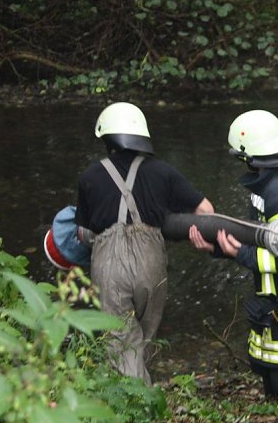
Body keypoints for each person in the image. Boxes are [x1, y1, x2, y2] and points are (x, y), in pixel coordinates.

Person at [188, 109, 278, 398]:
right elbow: (257, 239)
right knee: (273, 382)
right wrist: (219, 248)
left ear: (248, 156)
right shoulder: (276, 184)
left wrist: (240, 254)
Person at [75, 101, 214, 385]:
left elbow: (83, 234)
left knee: (119, 339)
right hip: (152, 262)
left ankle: (136, 406)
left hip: (109, 266)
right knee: (146, 335)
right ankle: (143, 390)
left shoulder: (89, 176)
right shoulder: (163, 172)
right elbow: (206, 211)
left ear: (106, 138)